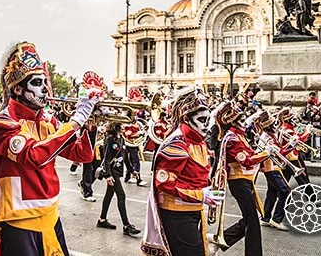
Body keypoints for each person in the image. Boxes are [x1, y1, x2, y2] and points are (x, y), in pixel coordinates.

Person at [0, 42, 98, 256]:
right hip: (19, 222)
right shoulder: (0, 125)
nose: (45, 88)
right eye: (37, 83)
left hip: (51, 216)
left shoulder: (48, 120)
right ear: (18, 89)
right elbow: (33, 155)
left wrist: (90, 127)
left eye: (45, 82)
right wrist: (75, 121)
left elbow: (82, 155)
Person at [142, 86, 224, 256]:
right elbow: (164, 183)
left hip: (192, 211)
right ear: (186, 118)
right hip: (177, 214)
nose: (207, 125)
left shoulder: (198, 140)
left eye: (208, 120)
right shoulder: (177, 143)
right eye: (202, 120)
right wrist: (202, 195)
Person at [209, 101, 271, 256]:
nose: (245, 124)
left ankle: (220, 240)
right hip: (238, 182)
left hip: (245, 181)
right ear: (234, 122)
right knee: (253, 221)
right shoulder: (232, 138)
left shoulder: (239, 136)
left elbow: (249, 156)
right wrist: (266, 153)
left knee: (250, 219)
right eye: (242, 121)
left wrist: (262, 151)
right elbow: (246, 160)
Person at [96, 122, 141, 236]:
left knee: (109, 195)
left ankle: (102, 220)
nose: (124, 126)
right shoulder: (109, 139)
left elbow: (125, 157)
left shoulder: (121, 139)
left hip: (117, 171)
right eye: (122, 125)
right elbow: (106, 158)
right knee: (121, 196)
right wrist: (108, 175)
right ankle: (126, 226)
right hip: (112, 172)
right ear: (116, 126)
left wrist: (132, 170)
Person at [251, 110, 290, 231]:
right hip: (270, 168)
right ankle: (276, 219)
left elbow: (280, 150)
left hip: (274, 167)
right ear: (268, 126)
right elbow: (280, 153)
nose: (275, 126)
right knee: (285, 191)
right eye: (272, 125)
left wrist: (291, 143)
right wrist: (291, 145)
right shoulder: (265, 137)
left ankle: (266, 217)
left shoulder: (270, 135)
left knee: (272, 193)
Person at [277, 108, 311, 185]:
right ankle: (311, 196)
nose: (296, 121)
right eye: (294, 119)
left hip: (286, 158)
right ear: (288, 120)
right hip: (293, 157)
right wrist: (307, 132)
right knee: (303, 180)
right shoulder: (287, 130)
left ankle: (280, 196)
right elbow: (298, 141)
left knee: (284, 181)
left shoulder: (286, 128)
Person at [77, 121, 98, 202]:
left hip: (99, 143)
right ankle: (87, 192)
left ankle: (84, 183)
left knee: (97, 168)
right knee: (88, 167)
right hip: (87, 142)